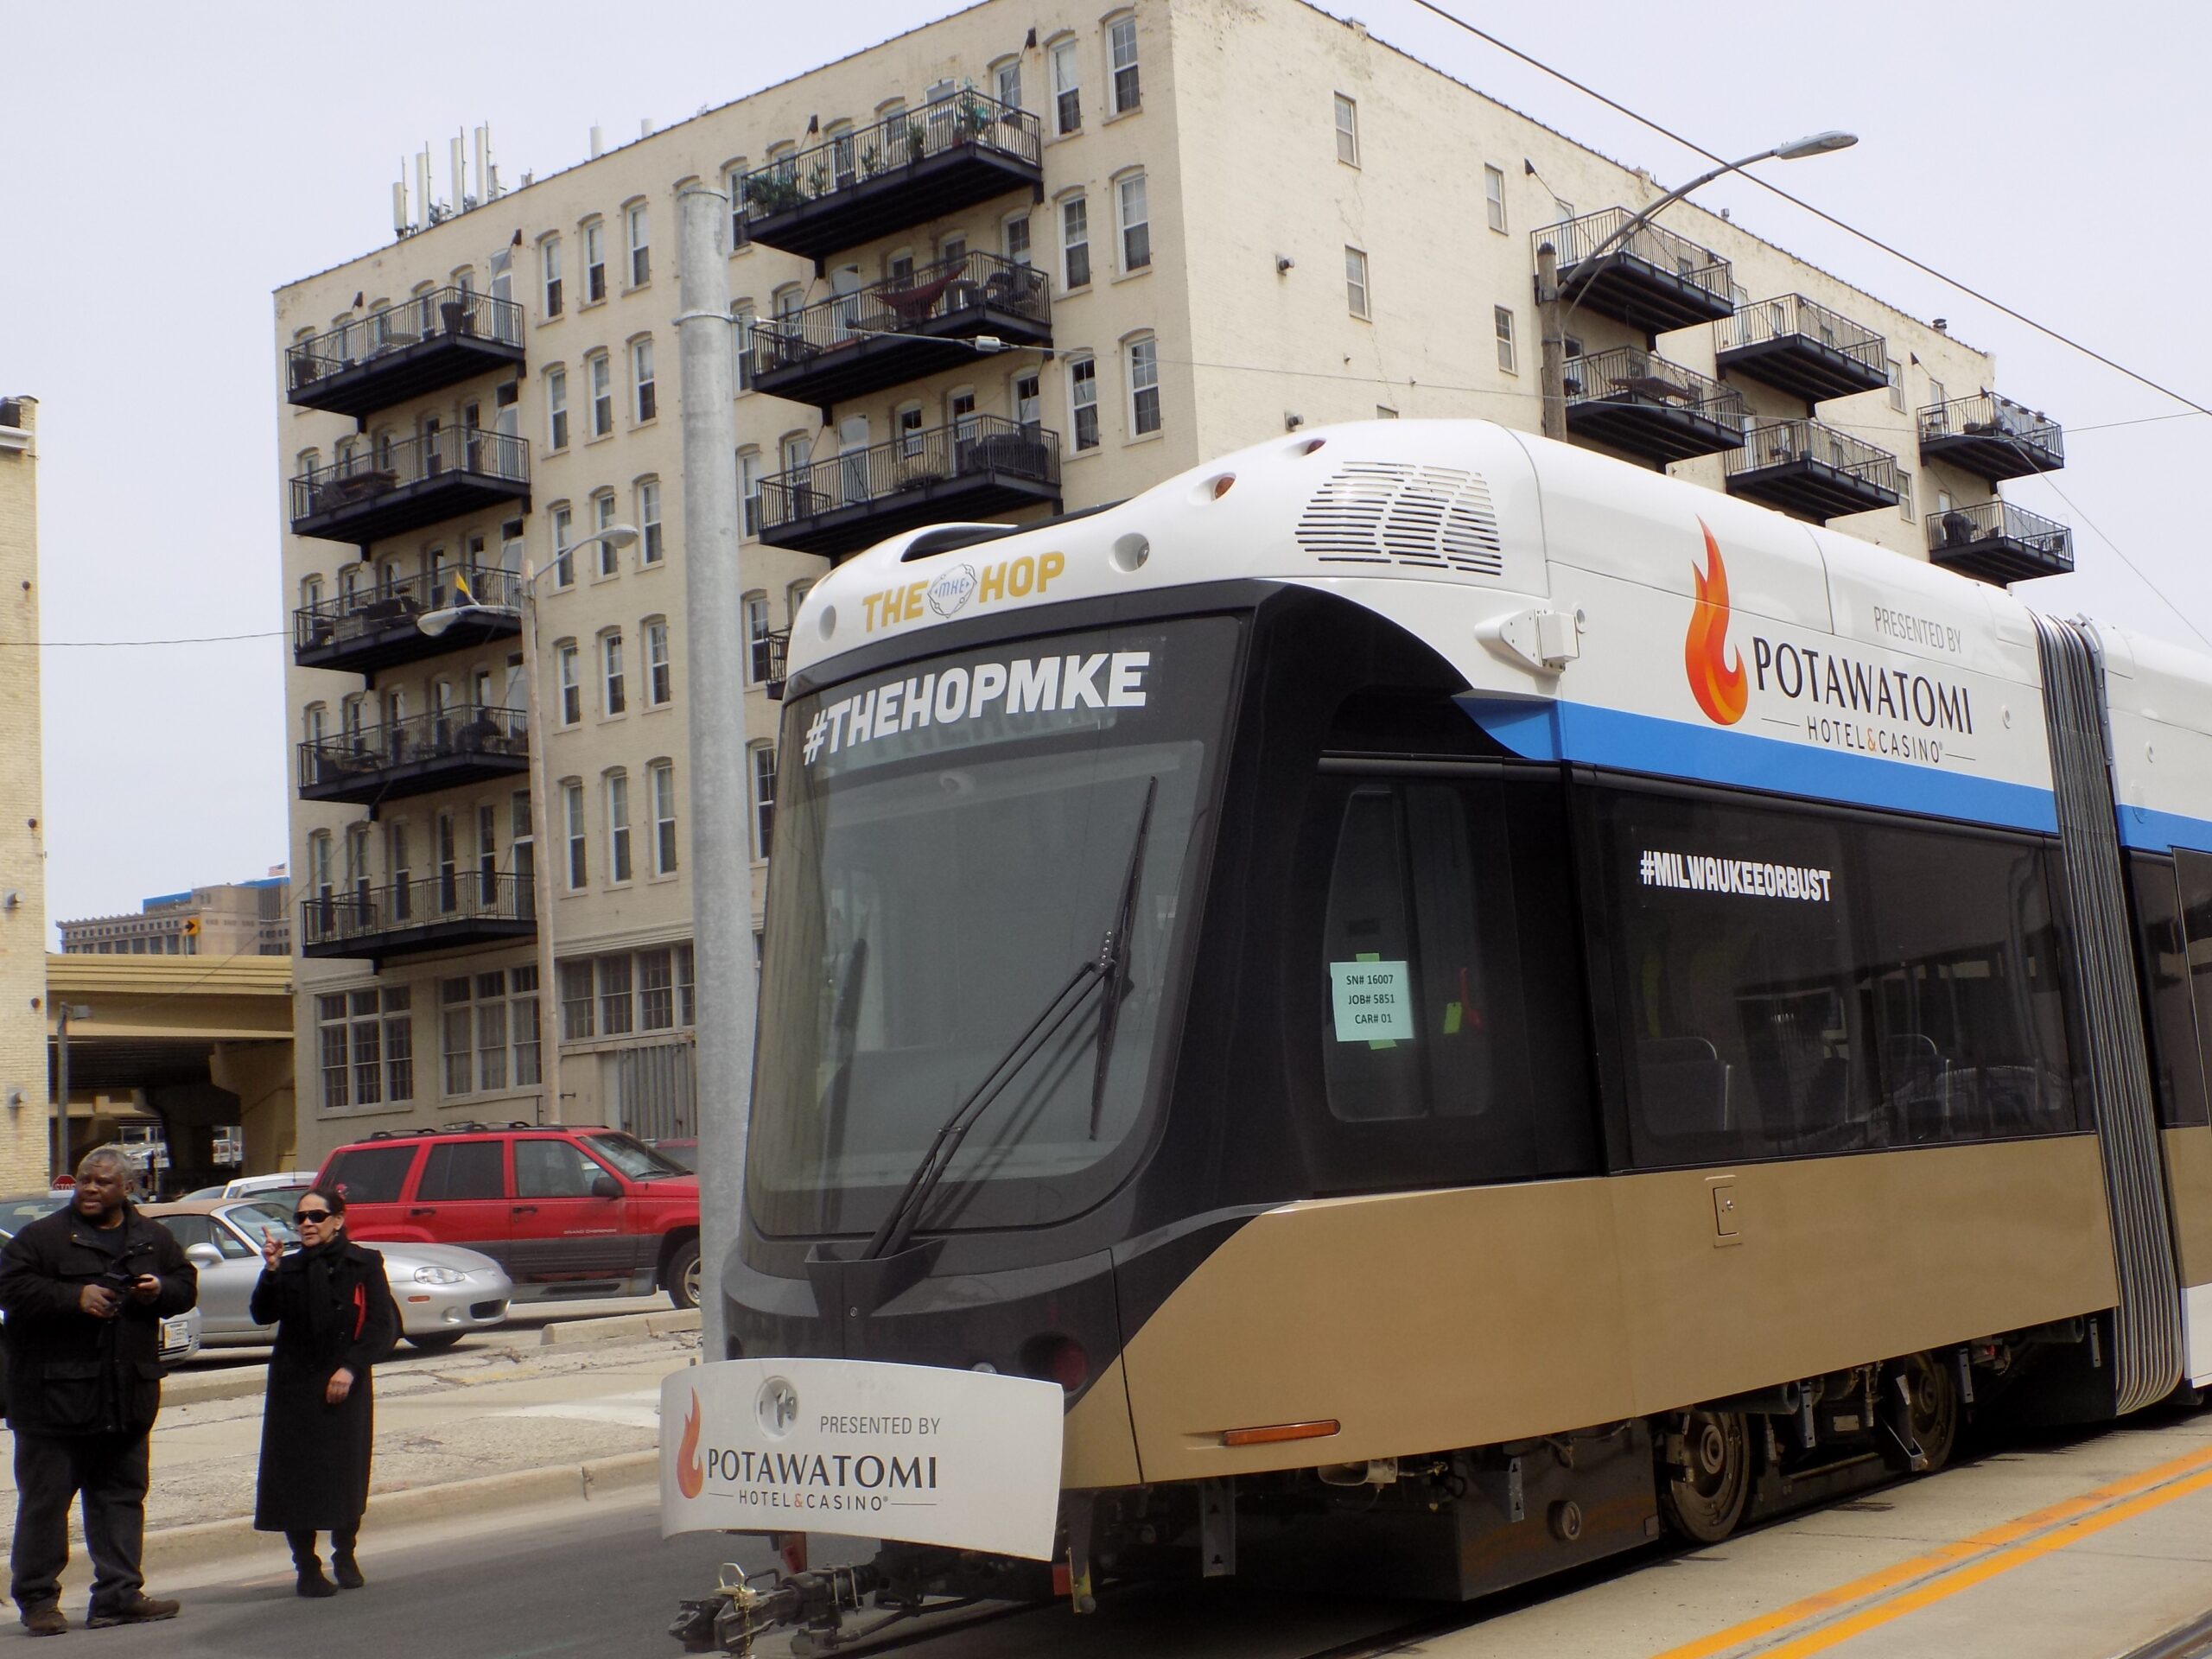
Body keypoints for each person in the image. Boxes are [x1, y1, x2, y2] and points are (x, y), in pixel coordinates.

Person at [0, 1145, 196, 1637]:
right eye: (85, 1179)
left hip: (126, 1400)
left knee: (121, 1498)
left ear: (126, 1188)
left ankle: (119, 1595)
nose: (90, 1188)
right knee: (46, 1505)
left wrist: (160, 1291)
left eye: (102, 1181)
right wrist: (73, 1296)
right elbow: (8, 1287)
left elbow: (185, 1285)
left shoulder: (151, 1238)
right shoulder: (42, 1239)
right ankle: (38, 1600)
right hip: (52, 1407)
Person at [251, 1185, 398, 1597]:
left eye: (316, 1217)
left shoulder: (364, 1263)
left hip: (344, 1385)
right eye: (300, 1218)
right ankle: (306, 1566)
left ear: (338, 1220)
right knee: (295, 1478)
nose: (307, 1224)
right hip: (294, 1387)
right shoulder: (291, 1267)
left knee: (344, 1473)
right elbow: (263, 1313)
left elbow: (380, 1326)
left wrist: (350, 1369)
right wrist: (272, 1270)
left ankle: (345, 1551)